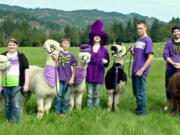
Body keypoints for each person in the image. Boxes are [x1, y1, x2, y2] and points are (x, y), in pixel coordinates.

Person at [1, 38, 29, 123]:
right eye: (10, 45)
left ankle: (16, 123)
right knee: (7, 103)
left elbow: (26, 69)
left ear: (17, 46)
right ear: (7, 45)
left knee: (16, 104)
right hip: (5, 84)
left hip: (17, 84)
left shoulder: (21, 56)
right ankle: (9, 121)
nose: (12, 46)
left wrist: (26, 84)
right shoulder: (3, 55)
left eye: (13, 45)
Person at [130, 20, 154, 115]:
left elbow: (151, 57)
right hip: (134, 70)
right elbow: (138, 55)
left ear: (145, 28)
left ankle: (141, 113)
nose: (139, 30)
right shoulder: (138, 40)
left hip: (141, 71)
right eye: (137, 28)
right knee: (136, 92)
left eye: (141, 28)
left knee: (140, 93)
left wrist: (142, 70)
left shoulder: (148, 40)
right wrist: (132, 52)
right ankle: (139, 109)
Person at [86, 20, 110, 108]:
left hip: (99, 74)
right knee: (89, 94)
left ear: (101, 38)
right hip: (89, 73)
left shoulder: (104, 50)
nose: (97, 37)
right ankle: (89, 110)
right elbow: (83, 60)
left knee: (96, 94)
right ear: (93, 37)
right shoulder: (88, 49)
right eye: (95, 36)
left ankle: (95, 110)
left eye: (98, 36)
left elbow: (107, 62)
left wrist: (106, 62)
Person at [53, 38, 77, 118]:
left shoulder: (72, 55)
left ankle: (62, 112)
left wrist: (72, 78)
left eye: (67, 43)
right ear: (61, 44)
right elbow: (55, 64)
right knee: (58, 97)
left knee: (66, 98)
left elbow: (74, 68)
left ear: (69, 45)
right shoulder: (58, 53)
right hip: (59, 79)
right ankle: (56, 112)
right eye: (64, 43)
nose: (66, 45)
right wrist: (55, 58)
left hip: (68, 79)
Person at [163, 25, 180, 111]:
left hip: (179, 70)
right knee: (168, 87)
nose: (176, 33)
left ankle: (178, 106)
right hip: (170, 69)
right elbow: (165, 55)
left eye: (178, 31)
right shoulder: (169, 43)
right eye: (174, 31)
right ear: (172, 33)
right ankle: (168, 104)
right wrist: (173, 63)